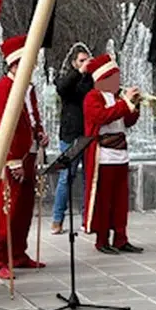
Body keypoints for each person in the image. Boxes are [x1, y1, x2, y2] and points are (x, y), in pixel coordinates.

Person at [0, 34, 49, 278]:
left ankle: (19, 254)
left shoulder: (28, 89)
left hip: (30, 154)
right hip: (13, 159)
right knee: (7, 211)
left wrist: (41, 134)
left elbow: (32, 119)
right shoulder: (4, 89)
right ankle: (0, 257)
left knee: (24, 209)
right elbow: (3, 127)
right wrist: (11, 160)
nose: (33, 67)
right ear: (15, 64)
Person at [82, 54, 143, 254]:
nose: (118, 81)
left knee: (121, 200)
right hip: (104, 156)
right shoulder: (93, 97)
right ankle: (102, 240)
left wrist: (136, 105)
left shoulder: (117, 98)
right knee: (104, 200)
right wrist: (125, 102)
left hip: (121, 154)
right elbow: (102, 117)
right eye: (114, 77)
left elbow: (127, 122)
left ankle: (121, 237)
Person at [52, 43, 93, 234]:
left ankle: (88, 218)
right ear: (74, 63)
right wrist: (79, 72)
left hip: (89, 134)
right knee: (66, 177)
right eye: (81, 61)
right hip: (71, 135)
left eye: (87, 60)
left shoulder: (91, 80)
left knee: (89, 177)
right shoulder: (68, 79)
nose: (85, 64)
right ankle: (57, 219)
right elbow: (62, 89)